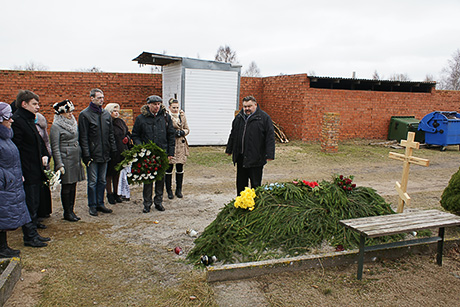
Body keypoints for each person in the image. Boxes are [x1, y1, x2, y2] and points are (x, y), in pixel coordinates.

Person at [11, 90, 50, 247]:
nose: (38, 107)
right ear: (24, 104)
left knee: (34, 202)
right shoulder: (18, 121)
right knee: (29, 203)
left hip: (35, 167)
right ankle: (29, 236)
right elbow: (17, 148)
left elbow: (38, 141)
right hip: (27, 169)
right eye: (34, 104)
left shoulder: (29, 120)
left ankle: (33, 232)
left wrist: (43, 154)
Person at [131, 95, 175, 213]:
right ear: (149, 105)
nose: (157, 106)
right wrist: (141, 147)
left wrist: (170, 152)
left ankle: (158, 202)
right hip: (147, 154)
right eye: (154, 104)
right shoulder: (141, 118)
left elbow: (171, 135)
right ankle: (147, 203)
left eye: (158, 104)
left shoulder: (165, 118)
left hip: (162, 153)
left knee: (160, 179)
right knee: (148, 179)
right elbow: (135, 135)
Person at [0, 102, 33, 256]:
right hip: (5, 185)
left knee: (5, 215)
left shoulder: (6, 138)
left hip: (10, 184)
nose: (11, 120)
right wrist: (6, 178)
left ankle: (3, 246)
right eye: (8, 117)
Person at [225, 96, 275, 195]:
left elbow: (270, 137)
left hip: (256, 158)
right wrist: (229, 149)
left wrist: (270, 154)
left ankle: (254, 205)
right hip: (241, 157)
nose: (247, 109)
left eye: (249, 106)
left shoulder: (264, 118)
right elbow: (233, 134)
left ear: (255, 105)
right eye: (245, 106)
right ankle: (241, 204)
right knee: (241, 184)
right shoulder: (239, 118)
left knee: (255, 185)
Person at [78, 88, 117, 216]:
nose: (101, 100)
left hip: (105, 153)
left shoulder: (106, 114)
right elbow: (83, 137)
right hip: (93, 154)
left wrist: (113, 148)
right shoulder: (85, 115)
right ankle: (92, 205)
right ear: (92, 98)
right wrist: (86, 155)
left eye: (102, 97)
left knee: (102, 180)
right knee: (92, 182)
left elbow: (110, 133)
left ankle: (101, 203)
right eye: (99, 98)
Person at [50, 99, 86, 222]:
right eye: (68, 112)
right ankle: (67, 211)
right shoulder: (56, 126)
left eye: (71, 111)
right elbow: (55, 146)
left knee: (74, 184)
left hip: (75, 157)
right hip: (65, 158)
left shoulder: (73, 122)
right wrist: (59, 164)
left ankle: (72, 209)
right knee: (67, 186)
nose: (71, 114)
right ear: (61, 113)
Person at [104, 103, 131, 204]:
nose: (116, 113)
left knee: (118, 173)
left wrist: (127, 139)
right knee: (109, 174)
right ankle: (109, 194)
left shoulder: (120, 122)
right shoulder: (107, 122)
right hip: (111, 152)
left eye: (117, 111)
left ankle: (117, 193)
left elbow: (127, 132)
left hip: (121, 151)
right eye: (114, 111)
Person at [165, 98, 190, 199]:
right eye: (173, 107)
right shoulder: (166, 116)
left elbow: (187, 129)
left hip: (180, 144)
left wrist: (183, 132)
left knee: (180, 167)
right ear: (169, 107)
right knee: (169, 168)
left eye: (177, 107)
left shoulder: (182, 116)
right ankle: (169, 190)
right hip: (171, 144)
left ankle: (178, 190)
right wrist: (172, 132)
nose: (175, 109)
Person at [35, 112, 53, 220]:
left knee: (45, 186)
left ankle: (45, 211)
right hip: (37, 159)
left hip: (44, 156)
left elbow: (46, 141)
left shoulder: (41, 126)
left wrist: (47, 154)